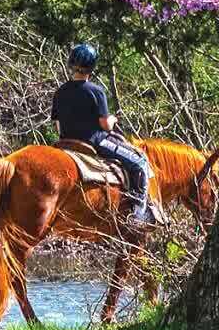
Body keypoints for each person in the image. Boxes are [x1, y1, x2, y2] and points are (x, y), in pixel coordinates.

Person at [51, 43, 164, 227]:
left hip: (66, 142)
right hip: (95, 142)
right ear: (92, 67)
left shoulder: (60, 91)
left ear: (71, 64)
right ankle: (138, 215)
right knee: (140, 163)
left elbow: (57, 125)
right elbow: (105, 125)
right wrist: (112, 119)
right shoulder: (96, 91)